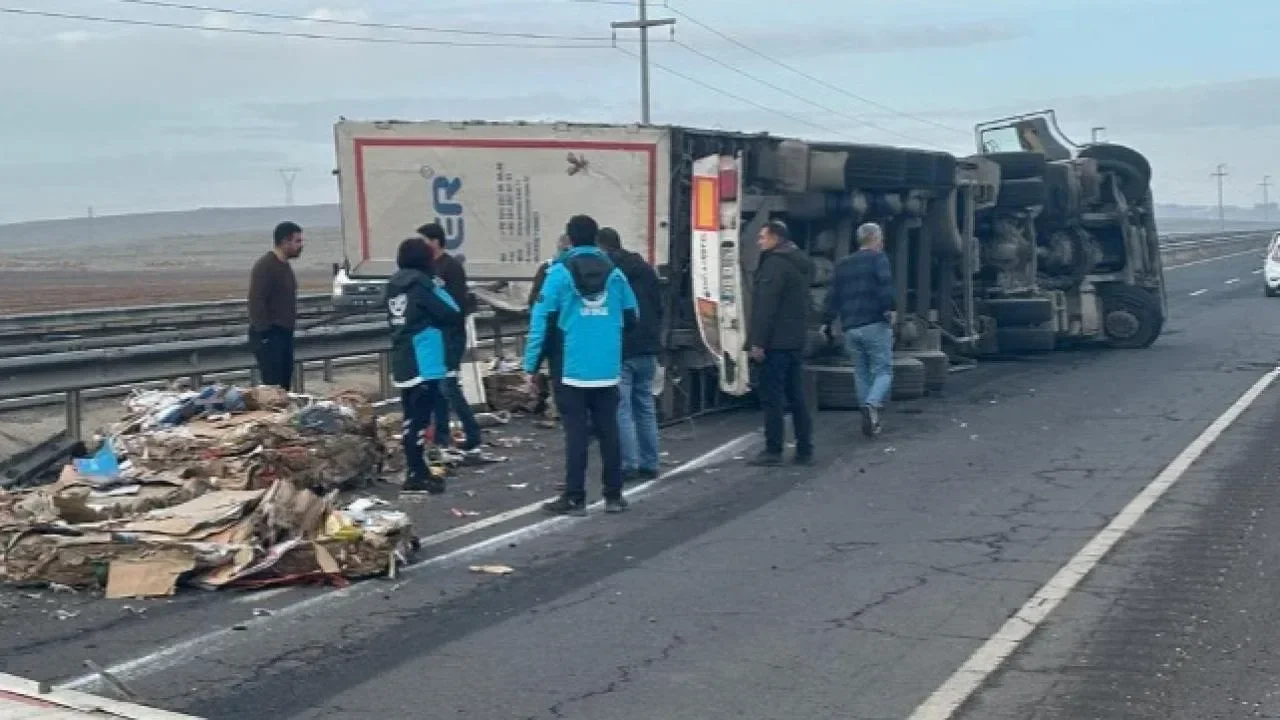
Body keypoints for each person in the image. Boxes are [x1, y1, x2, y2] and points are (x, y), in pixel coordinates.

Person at [523, 215, 638, 516]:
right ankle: (614, 495)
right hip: (607, 366)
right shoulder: (616, 275)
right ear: (596, 237)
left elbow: (542, 320)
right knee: (608, 429)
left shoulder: (558, 273)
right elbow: (631, 317)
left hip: (571, 366)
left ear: (570, 239)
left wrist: (531, 365)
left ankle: (575, 497)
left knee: (575, 434)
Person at [384, 236, 462, 495]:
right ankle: (416, 473)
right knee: (420, 418)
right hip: (424, 358)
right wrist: (437, 285)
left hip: (402, 356)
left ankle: (417, 468)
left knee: (411, 417)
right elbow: (451, 311)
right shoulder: (423, 285)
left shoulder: (394, 285)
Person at [745, 219, 814, 466]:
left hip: (776, 343)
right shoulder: (800, 263)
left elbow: (766, 308)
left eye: (763, 237)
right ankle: (805, 448)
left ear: (775, 239)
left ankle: (773, 449)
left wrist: (757, 342)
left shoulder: (774, 266)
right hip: (794, 340)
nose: (759, 241)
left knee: (772, 396)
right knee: (796, 395)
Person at [597, 226, 663, 482]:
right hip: (647, 346)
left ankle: (628, 463)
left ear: (602, 247)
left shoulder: (610, 275)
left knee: (622, 408)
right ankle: (651, 462)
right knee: (645, 406)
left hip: (623, 347)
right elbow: (658, 306)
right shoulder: (646, 270)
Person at [822, 221, 895, 437]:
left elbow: (832, 296)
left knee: (861, 372)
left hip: (851, 327)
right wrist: (890, 308)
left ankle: (868, 414)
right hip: (874, 322)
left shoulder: (843, 264)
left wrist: (826, 321)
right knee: (883, 370)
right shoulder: (878, 259)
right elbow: (885, 285)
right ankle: (872, 404)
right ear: (875, 237)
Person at [417, 222, 483, 453]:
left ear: (435, 242)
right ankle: (442, 436)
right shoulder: (428, 268)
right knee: (438, 387)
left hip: (450, 335)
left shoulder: (451, 267)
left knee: (449, 386)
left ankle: (472, 432)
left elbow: (456, 305)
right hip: (433, 336)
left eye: (424, 241)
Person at [247, 221, 304, 390]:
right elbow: (256, 301)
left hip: (284, 334)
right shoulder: (265, 266)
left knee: (284, 386)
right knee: (274, 387)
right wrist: (265, 334)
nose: (301, 246)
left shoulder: (285, 266)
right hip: (270, 336)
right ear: (284, 242)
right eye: (297, 241)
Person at [528, 233, 572, 419]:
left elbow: (537, 306)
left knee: (556, 377)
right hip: (573, 340)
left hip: (555, 337)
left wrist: (530, 365)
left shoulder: (550, 271)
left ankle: (555, 408)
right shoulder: (605, 271)